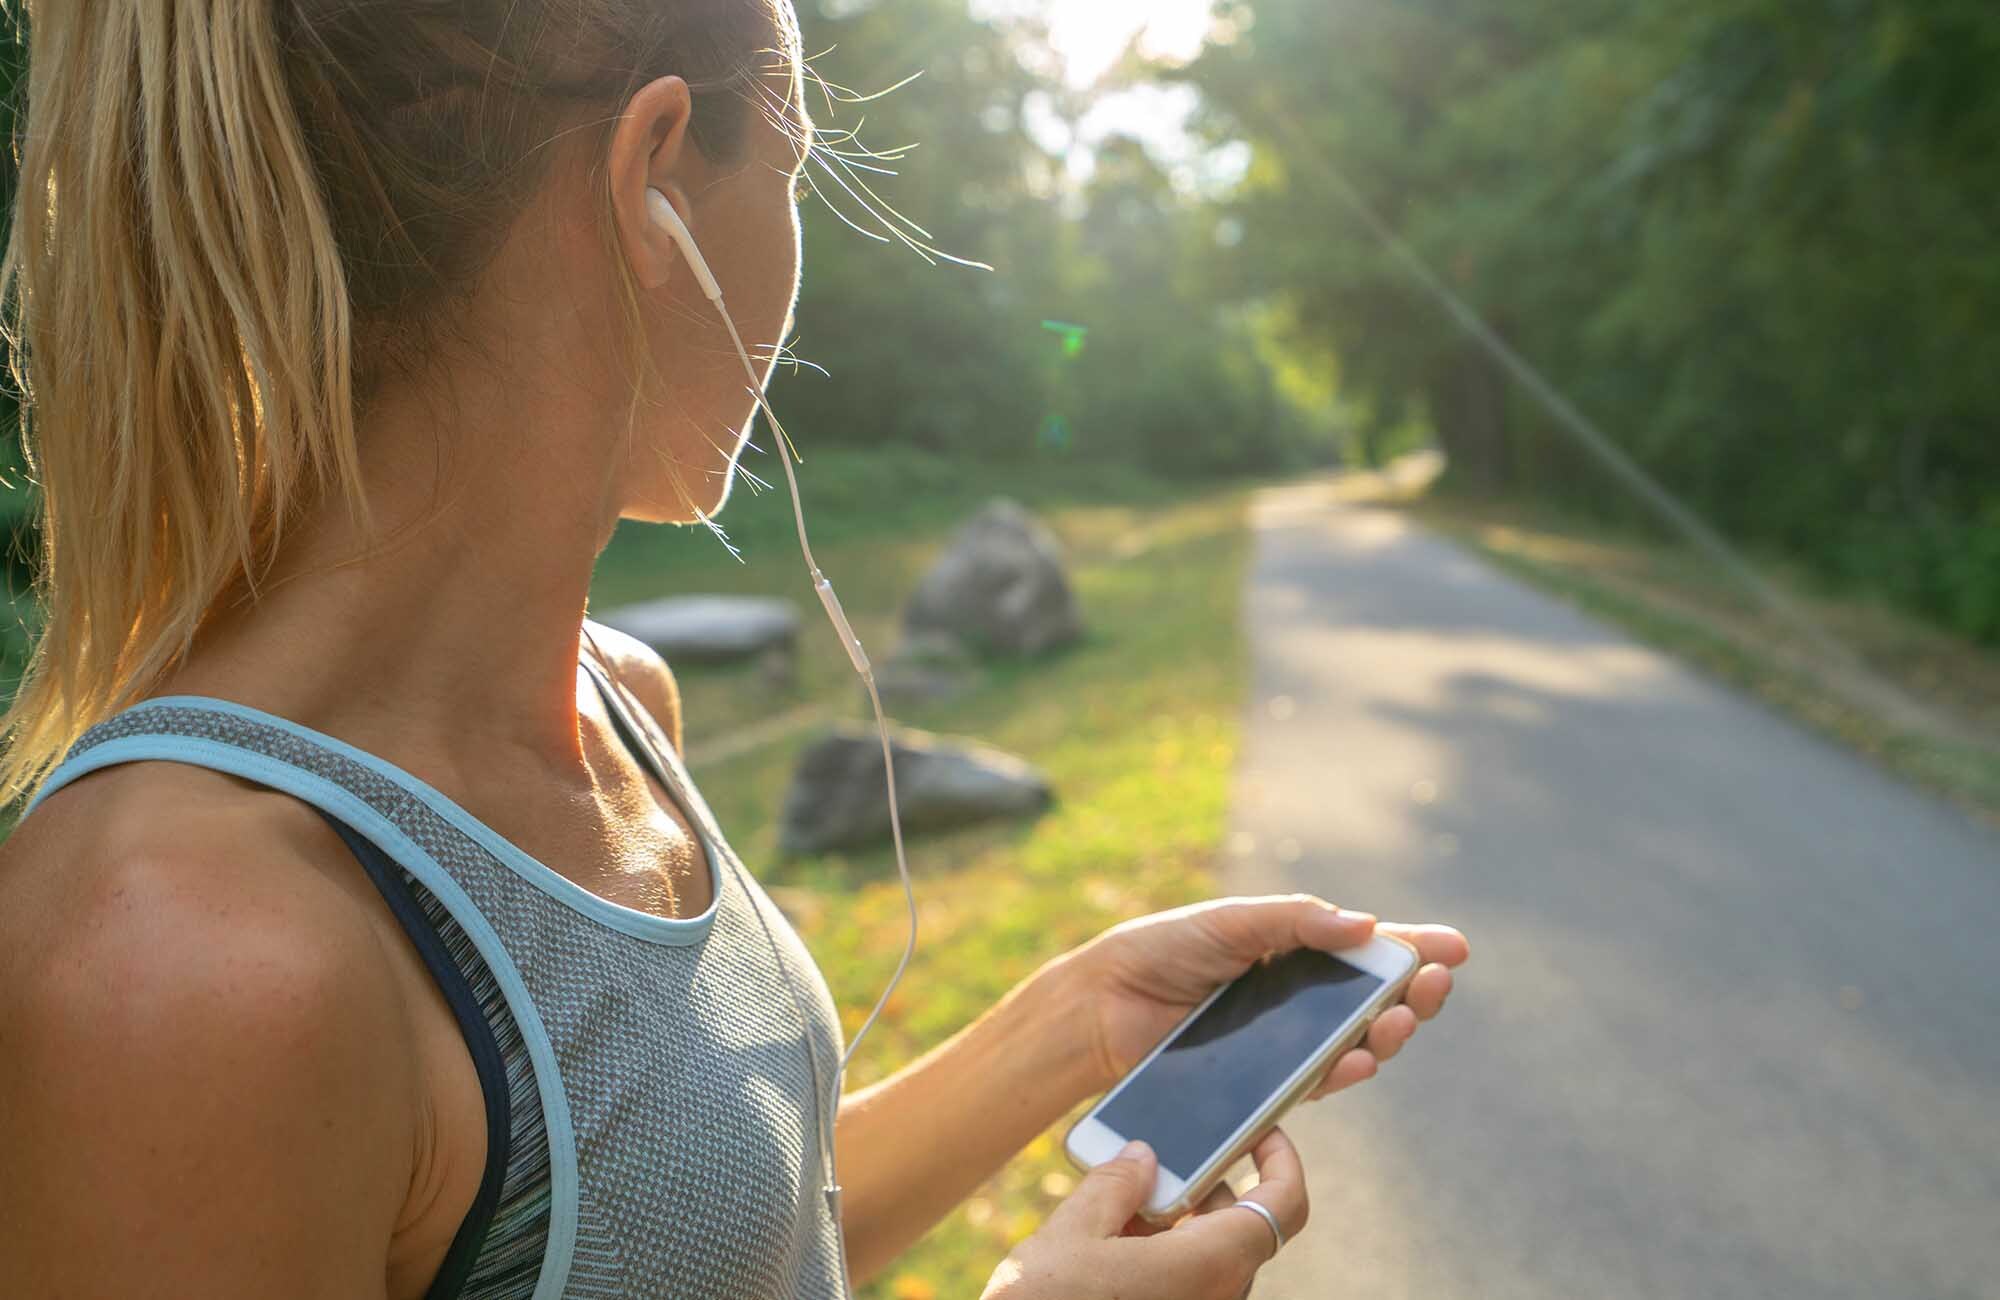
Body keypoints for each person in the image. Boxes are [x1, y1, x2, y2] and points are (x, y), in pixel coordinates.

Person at [0, 1, 1469, 1297]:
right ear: (655, 184)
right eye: (796, 163)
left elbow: (721, 1233)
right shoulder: (173, 966)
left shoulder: (617, 699)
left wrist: (1076, 1026)